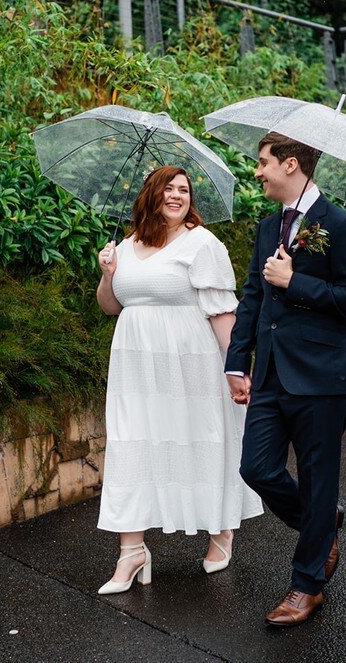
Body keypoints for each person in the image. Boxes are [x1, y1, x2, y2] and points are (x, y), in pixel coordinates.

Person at [94, 165, 263, 595]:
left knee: (202, 439)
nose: (177, 196)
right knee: (132, 446)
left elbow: (223, 312)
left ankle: (222, 530)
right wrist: (108, 273)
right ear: (151, 195)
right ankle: (132, 552)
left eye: (184, 190)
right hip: (135, 368)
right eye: (168, 189)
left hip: (191, 364)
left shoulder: (202, 243)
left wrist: (237, 368)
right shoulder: (127, 246)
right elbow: (111, 307)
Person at [225, 132, 346, 625]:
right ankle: (322, 522)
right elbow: (252, 295)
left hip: (321, 376)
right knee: (256, 469)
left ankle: (306, 586)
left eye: (263, 163)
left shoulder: (343, 225)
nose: (258, 171)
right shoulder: (268, 227)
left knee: (317, 475)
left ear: (291, 165)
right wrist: (236, 360)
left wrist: (297, 282)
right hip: (268, 373)